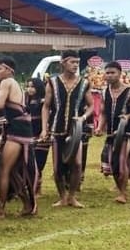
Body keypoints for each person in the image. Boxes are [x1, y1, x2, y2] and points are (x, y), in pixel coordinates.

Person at [0, 56, 38, 218]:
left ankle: (0, 210)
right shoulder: (13, 84)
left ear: (9, 70)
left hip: (17, 131)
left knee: (3, 170)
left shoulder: (7, 82)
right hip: (19, 129)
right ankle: (27, 204)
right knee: (13, 170)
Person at [40, 51, 95, 208]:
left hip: (75, 130)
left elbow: (91, 105)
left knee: (77, 164)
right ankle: (62, 197)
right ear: (63, 63)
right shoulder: (52, 82)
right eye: (72, 62)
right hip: (57, 129)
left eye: (77, 62)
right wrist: (44, 129)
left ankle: (72, 196)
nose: (76, 65)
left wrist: (83, 118)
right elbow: (46, 107)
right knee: (58, 167)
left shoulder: (84, 83)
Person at [95, 61, 130, 203]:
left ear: (119, 74)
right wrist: (99, 127)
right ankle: (120, 188)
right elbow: (104, 112)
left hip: (126, 133)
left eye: (113, 73)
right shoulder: (104, 92)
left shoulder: (129, 91)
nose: (109, 75)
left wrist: (128, 116)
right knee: (113, 164)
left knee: (121, 161)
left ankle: (123, 194)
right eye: (107, 73)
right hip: (111, 134)